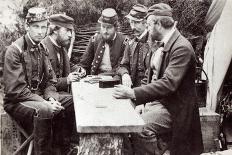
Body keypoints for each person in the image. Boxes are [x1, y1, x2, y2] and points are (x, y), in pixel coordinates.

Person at [113, 3, 203, 155]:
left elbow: (168, 84)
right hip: (158, 103)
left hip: (174, 109)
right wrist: (142, 102)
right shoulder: (163, 44)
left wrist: (133, 94)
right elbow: (151, 77)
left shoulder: (181, 48)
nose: (147, 29)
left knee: (139, 128)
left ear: (159, 24)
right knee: (124, 122)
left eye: (148, 25)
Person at [3, 7, 61, 155]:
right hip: (16, 102)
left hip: (38, 98)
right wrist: (44, 102)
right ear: (27, 26)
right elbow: (17, 91)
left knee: (69, 101)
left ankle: (62, 149)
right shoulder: (14, 51)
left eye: (43, 27)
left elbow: (50, 80)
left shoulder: (42, 48)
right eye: (36, 27)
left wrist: (51, 98)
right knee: (44, 110)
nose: (40, 31)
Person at [41, 14, 79, 154]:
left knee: (75, 98)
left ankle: (67, 145)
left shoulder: (61, 47)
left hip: (57, 92)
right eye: (67, 30)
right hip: (44, 95)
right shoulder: (44, 48)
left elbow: (66, 68)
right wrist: (67, 80)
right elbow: (45, 83)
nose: (70, 35)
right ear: (55, 29)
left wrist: (77, 70)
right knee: (76, 101)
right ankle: (68, 145)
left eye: (71, 31)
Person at [78, 8, 128, 76]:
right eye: (103, 27)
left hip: (116, 79)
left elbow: (121, 67)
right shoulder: (94, 40)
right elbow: (84, 63)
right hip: (96, 78)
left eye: (109, 27)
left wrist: (103, 76)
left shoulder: (124, 42)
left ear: (115, 28)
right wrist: (82, 70)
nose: (105, 31)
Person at [117, 4, 150, 88]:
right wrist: (125, 74)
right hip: (132, 88)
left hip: (150, 89)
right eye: (131, 22)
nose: (133, 27)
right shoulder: (130, 42)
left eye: (137, 22)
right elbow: (123, 65)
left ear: (146, 23)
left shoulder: (153, 42)